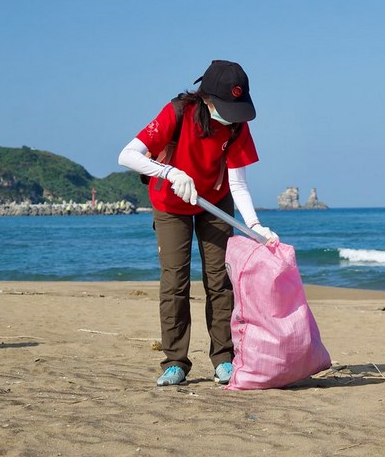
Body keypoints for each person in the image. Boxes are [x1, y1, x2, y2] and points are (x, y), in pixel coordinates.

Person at [118, 60, 278, 386]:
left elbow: (239, 183)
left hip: (214, 202)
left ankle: (224, 359)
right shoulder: (177, 112)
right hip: (171, 203)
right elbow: (128, 154)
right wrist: (170, 172)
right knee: (175, 281)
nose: (230, 114)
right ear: (206, 99)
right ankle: (175, 362)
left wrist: (255, 225)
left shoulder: (235, 125)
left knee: (220, 281)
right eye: (224, 107)